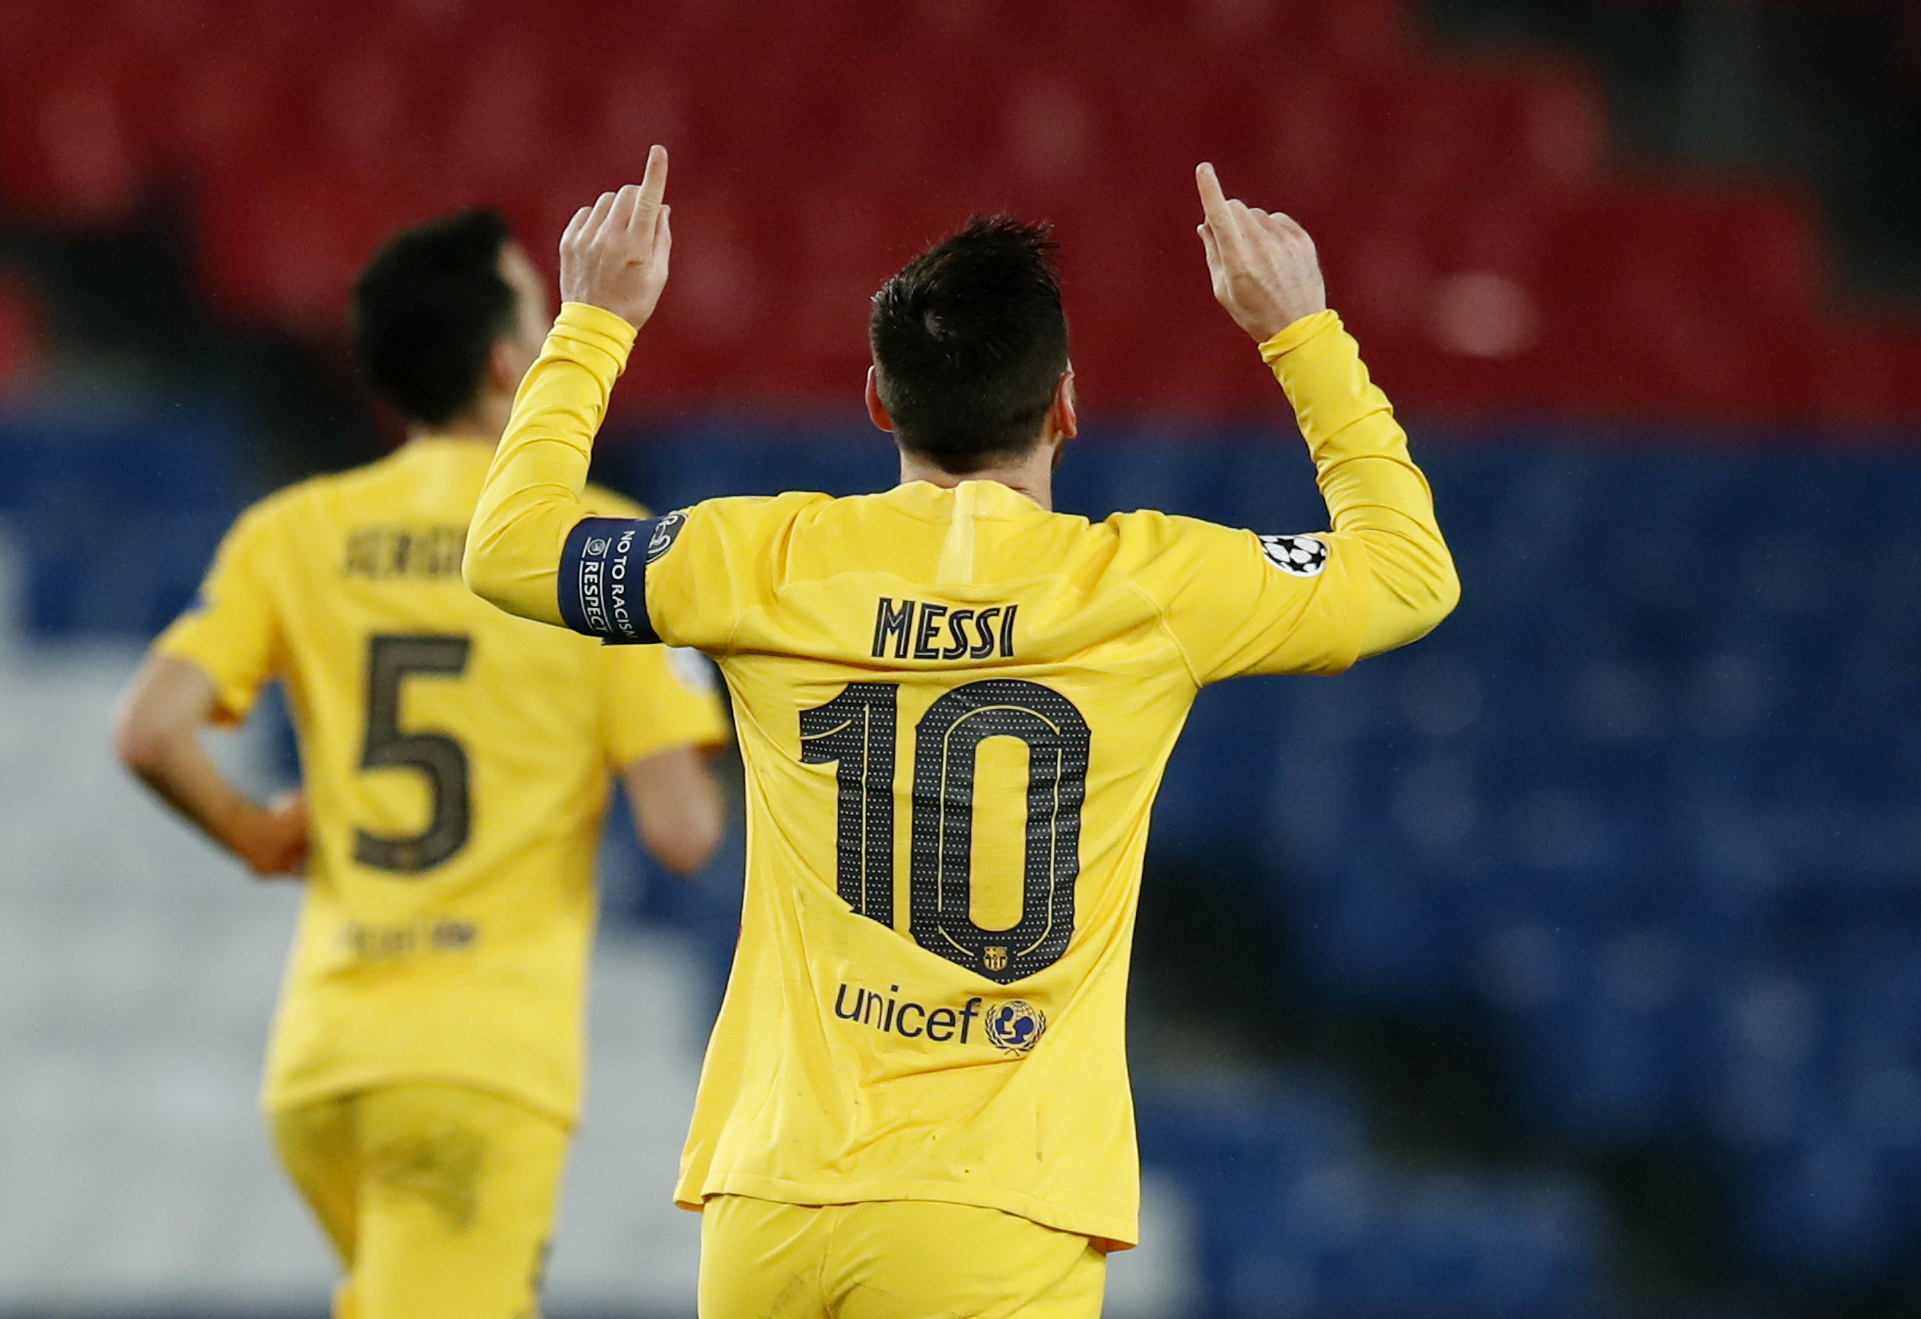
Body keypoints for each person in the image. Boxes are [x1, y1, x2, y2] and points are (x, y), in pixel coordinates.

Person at [463, 147, 1459, 1318]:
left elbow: (512, 549)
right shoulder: (1146, 585)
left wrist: (591, 324)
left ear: (879, 401)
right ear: (1065, 403)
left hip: (772, 1204)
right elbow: (1407, 572)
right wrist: (1299, 331)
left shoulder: (764, 559)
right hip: (996, 1207)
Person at [113, 206, 730, 1319]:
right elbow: (682, 832)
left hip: (324, 1062)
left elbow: (150, 728)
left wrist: (256, 834)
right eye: (543, 318)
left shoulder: (295, 529)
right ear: (509, 362)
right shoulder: (601, 547)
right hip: (476, 1069)